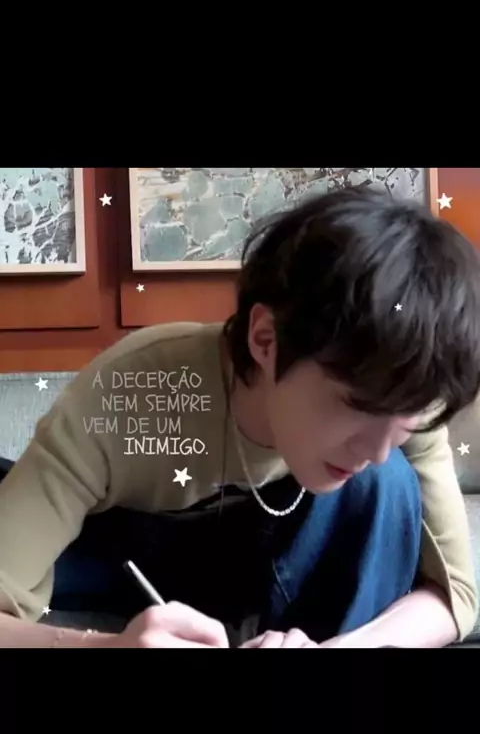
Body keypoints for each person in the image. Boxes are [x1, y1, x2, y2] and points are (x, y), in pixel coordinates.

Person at [0, 184, 479, 648]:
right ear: (266, 339)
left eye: (407, 422)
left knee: (385, 481)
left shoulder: (410, 390)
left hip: (273, 577)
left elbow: (457, 594)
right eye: (357, 406)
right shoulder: (132, 389)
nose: (376, 450)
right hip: (117, 555)